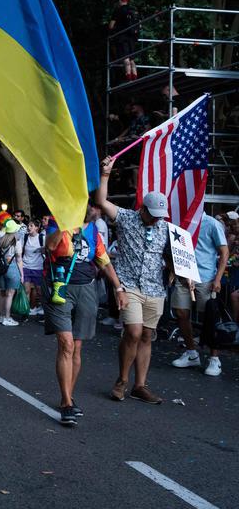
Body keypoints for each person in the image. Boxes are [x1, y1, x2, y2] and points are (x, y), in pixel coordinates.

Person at [95, 155, 170, 405]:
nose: (158, 218)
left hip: (155, 287)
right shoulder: (126, 218)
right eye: (154, 213)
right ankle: (122, 380)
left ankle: (140, 385)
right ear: (143, 208)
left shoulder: (166, 228)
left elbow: (178, 256)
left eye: (161, 214)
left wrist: (184, 276)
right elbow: (101, 201)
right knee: (134, 331)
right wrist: (105, 174)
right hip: (129, 286)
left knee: (147, 335)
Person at [44, 213, 125, 425]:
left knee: (77, 348)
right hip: (60, 288)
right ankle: (67, 403)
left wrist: (118, 287)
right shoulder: (56, 221)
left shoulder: (92, 231)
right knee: (66, 345)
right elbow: (50, 246)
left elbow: (104, 261)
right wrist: (64, 225)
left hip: (87, 289)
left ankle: (67, 397)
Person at [169, 212, 229, 376]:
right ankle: (191, 353)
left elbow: (224, 252)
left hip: (205, 278)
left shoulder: (212, 223)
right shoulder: (180, 221)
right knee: (181, 313)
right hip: (184, 277)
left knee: (210, 319)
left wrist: (217, 279)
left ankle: (215, 359)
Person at [0, 219, 24, 325]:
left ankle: (1, 316)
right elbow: (19, 259)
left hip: (0, 268)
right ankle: (7, 317)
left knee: (2, 292)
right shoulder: (16, 241)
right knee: (10, 294)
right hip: (11, 267)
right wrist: (22, 274)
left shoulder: (0, 239)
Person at [109, 0, 139, 80]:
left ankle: (129, 78)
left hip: (122, 38)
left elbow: (111, 26)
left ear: (119, 1)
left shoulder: (118, 11)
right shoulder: (132, 10)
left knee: (125, 59)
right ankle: (135, 77)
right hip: (132, 38)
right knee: (132, 60)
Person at [22, 220, 46, 315]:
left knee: (39, 291)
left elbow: (47, 250)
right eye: (28, 226)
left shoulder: (42, 238)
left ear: (37, 227)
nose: (29, 227)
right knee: (26, 290)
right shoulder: (25, 237)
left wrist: (43, 250)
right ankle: (26, 310)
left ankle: (39, 307)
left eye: (31, 226)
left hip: (38, 267)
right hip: (25, 266)